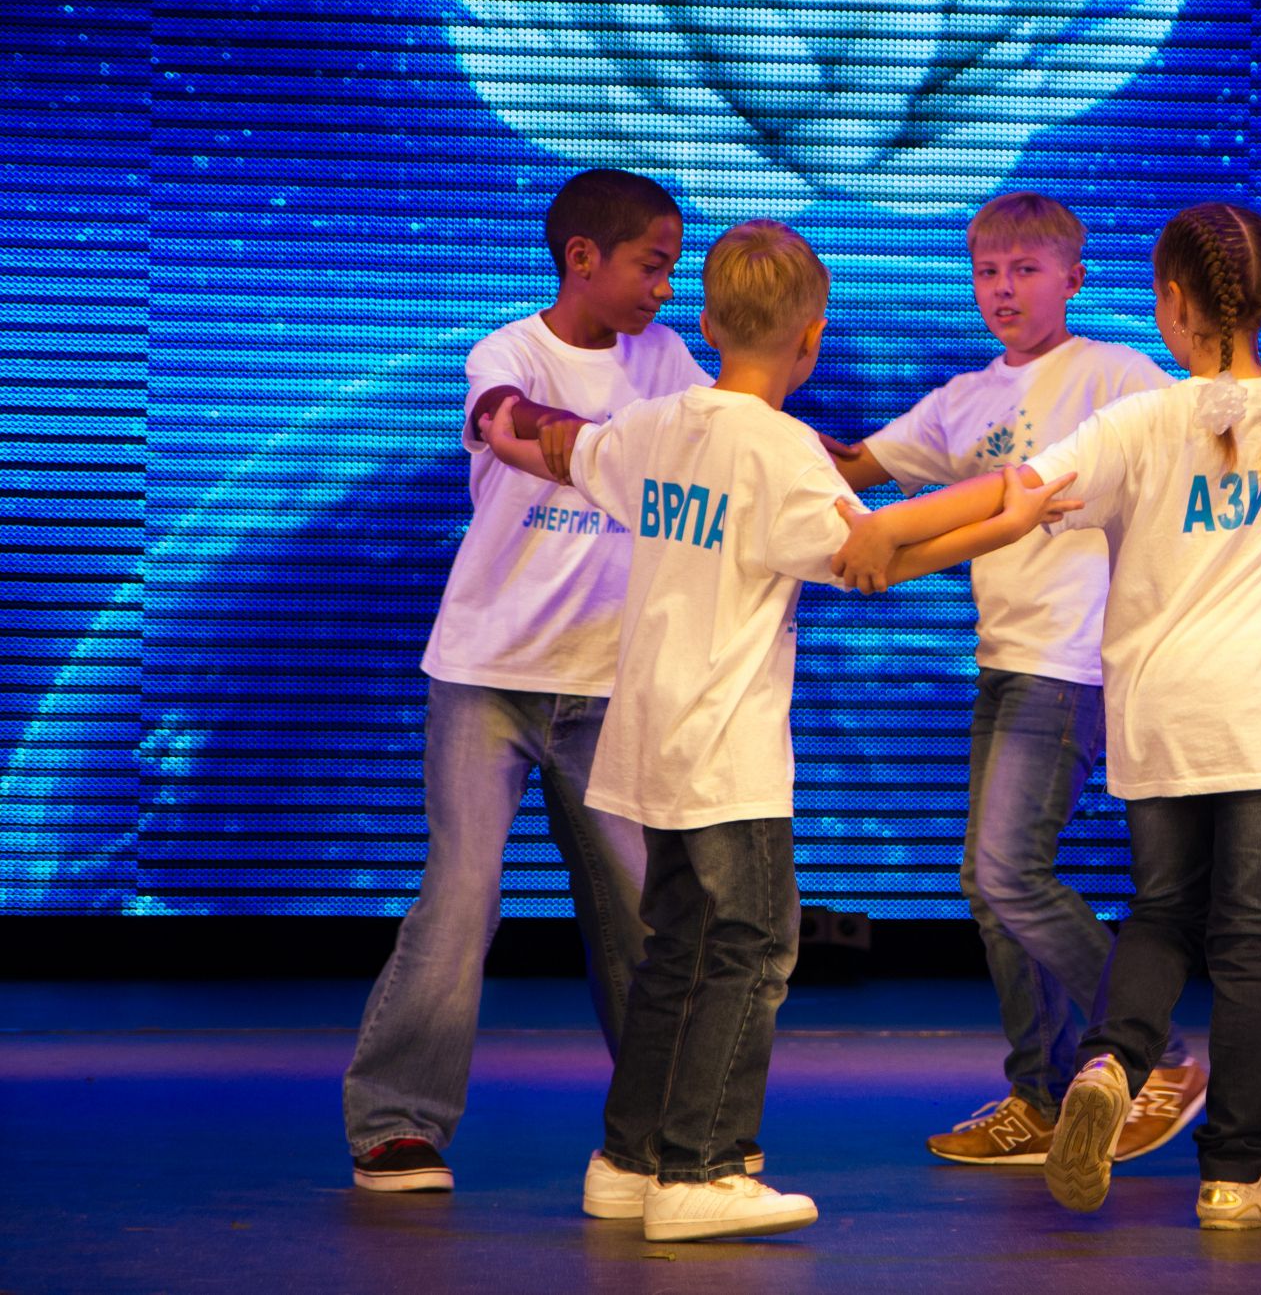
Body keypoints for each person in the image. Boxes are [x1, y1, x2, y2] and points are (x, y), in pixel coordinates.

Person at [834, 202, 1261, 1231]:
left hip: (1162, 719)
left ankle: (1109, 1063)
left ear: (1173, 304)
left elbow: (1010, 496)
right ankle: (1234, 1177)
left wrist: (889, 538)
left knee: (1159, 915)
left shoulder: (1139, 422)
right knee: (1255, 949)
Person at [479, 218, 1079, 1241]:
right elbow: (871, 556)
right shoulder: (784, 452)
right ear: (812, 336)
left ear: (709, 324)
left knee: (675, 950)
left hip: (649, 738)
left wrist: (501, 419)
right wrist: (1008, 517)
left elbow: (568, 449)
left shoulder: (655, 423)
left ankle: (630, 1158)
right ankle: (702, 1169)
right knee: (751, 950)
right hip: (725, 748)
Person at [815, 192, 1202, 1165]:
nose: (1003, 289)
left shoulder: (1115, 375)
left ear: (1074, 278)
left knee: (1008, 873)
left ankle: (1157, 1054)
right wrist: (746, 426)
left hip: (1073, 663)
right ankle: (1043, 1096)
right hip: (1005, 659)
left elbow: (1190, 467)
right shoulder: (964, 399)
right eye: (988, 271)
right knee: (988, 887)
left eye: (1025, 270)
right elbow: (855, 468)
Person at [345, 168, 706, 1194]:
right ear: (582, 258)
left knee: (639, 909)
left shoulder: (663, 358)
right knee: (462, 895)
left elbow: (721, 444)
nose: (664, 290)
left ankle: (661, 1133)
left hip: (608, 684)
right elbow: (508, 423)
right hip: (489, 677)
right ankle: (396, 1122)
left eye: (673, 271)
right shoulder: (507, 351)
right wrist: (608, 451)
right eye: (651, 266)